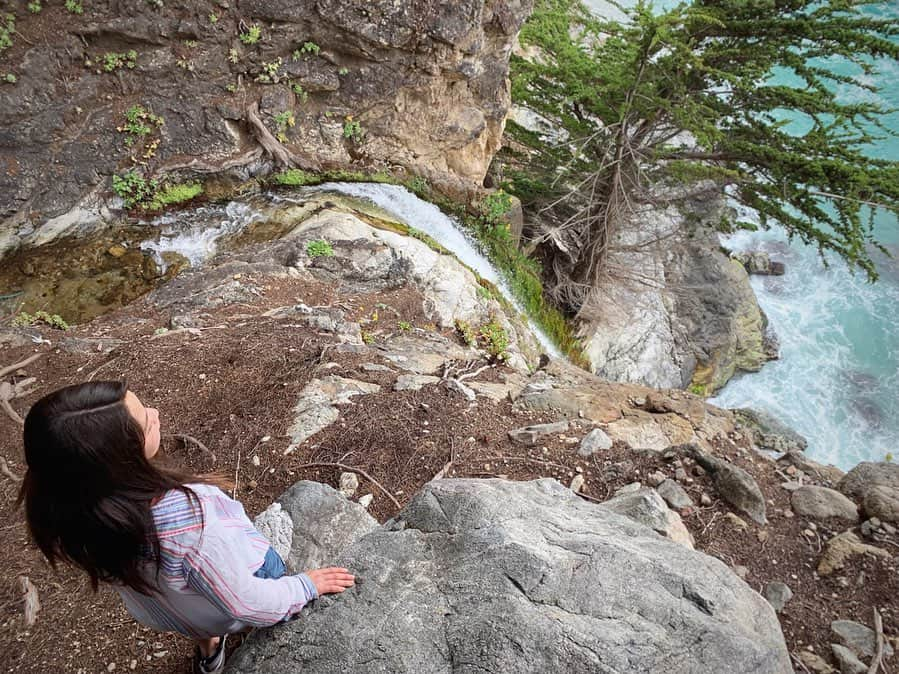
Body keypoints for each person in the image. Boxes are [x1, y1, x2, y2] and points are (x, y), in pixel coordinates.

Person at [18, 381, 355, 674]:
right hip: (228, 607)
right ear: (121, 460)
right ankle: (231, 630)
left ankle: (209, 648)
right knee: (269, 573)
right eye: (147, 423)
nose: (155, 413)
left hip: (167, 613)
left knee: (195, 597)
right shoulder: (193, 524)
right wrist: (306, 586)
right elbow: (247, 603)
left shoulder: (69, 512)